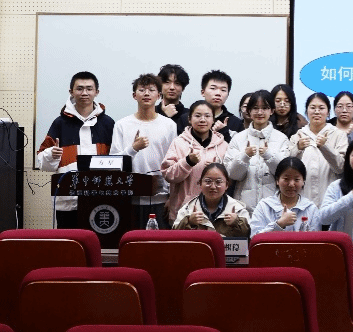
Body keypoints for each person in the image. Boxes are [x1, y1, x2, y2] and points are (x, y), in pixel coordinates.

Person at [37, 71, 116, 228]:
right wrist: (51, 154)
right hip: (68, 200)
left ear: (97, 92)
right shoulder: (60, 123)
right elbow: (41, 161)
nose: (84, 93)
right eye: (79, 88)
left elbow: (117, 160)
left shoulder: (108, 123)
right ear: (71, 92)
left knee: (99, 241)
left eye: (89, 89)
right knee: (69, 242)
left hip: (101, 198)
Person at [110, 73, 178, 228]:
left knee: (159, 241)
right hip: (128, 198)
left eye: (151, 90)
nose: (146, 94)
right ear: (134, 95)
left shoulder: (169, 125)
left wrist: (172, 197)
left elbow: (172, 163)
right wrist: (133, 148)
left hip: (160, 198)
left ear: (159, 96)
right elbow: (113, 163)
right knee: (130, 241)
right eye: (142, 90)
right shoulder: (122, 125)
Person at [161, 100, 229, 222]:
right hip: (184, 212)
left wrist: (218, 169)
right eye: (197, 116)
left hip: (215, 211)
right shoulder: (179, 143)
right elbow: (168, 175)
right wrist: (188, 162)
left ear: (213, 119)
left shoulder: (223, 145)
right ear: (189, 119)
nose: (202, 120)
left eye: (207, 116)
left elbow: (230, 178)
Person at [225, 90, 291, 212]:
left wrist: (269, 155)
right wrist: (245, 156)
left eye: (265, 108)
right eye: (255, 108)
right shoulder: (238, 139)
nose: (260, 112)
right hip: (244, 208)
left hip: (274, 207)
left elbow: (285, 174)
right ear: (249, 111)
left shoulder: (281, 139)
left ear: (272, 111)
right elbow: (232, 175)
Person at [290, 93, 348, 204]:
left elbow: (340, 168)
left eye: (321, 108)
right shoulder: (297, 136)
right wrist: (298, 148)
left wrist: (325, 147)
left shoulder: (339, 135)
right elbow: (287, 168)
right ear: (306, 111)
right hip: (302, 199)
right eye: (312, 108)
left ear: (328, 112)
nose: (317, 112)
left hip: (330, 199)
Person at [173, 162, 250, 237]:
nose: (213, 187)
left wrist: (236, 223)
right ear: (200, 183)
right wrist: (189, 222)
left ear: (227, 185)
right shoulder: (188, 209)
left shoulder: (238, 209)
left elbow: (249, 237)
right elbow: (175, 236)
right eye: (208, 181)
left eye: (218, 182)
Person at [250, 157, 321, 236]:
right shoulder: (264, 206)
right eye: (286, 179)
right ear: (277, 180)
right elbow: (254, 237)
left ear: (303, 181)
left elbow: (316, 239)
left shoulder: (311, 208)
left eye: (297, 179)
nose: (291, 184)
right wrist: (279, 224)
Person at [176, 70, 242, 141]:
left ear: (228, 95)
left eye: (223, 90)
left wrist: (224, 133)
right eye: (213, 88)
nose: (218, 93)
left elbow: (238, 147)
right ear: (203, 92)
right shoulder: (186, 118)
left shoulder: (236, 123)